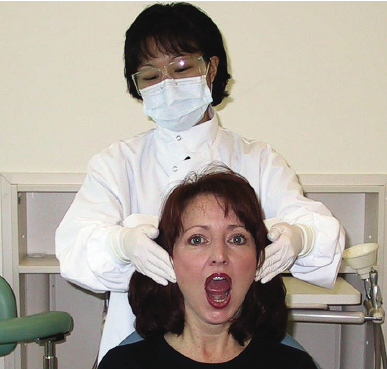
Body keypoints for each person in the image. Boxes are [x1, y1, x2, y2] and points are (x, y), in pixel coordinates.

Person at [55, 2, 344, 362]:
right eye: (150, 76)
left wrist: (303, 237)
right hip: (140, 345)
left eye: (180, 66)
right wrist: (120, 244)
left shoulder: (257, 161)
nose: (167, 84)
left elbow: (317, 232)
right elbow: (73, 250)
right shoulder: (118, 164)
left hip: (241, 346)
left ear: (211, 69)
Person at [98, 167, 318, 369]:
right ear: (167, 259)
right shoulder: (123, 364)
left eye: (237, 239)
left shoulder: (293, 364)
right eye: (197, 240)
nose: (219, 255)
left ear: (260, 260)